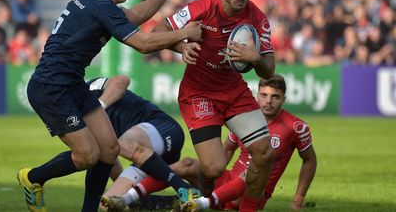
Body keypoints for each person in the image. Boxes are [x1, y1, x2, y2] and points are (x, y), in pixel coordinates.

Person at [17, 0, 202, 211]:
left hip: (72, 84)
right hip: (51, 88)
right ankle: (33, 178)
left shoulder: (96, 1)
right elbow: (143, 45)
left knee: (110, 148)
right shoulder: (100, 6)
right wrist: (184, 33)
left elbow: (134, 16)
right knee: (87, 156)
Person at [153, 0, 275, 210]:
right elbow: (158, 30)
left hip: (234, 91)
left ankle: (248, 208)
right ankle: (201, 193)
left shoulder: (258, 19)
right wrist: (181, 46)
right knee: (214, 167)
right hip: (199, 93)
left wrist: (255, 58)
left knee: (264, 153)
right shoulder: (202, 8)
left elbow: (269, 70)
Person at [119, 74, 317, 211]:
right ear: (257, 95)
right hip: (229, 183)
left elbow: (309, 160)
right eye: (264, 95)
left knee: (250, 172)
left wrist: (298, 201)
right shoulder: (246, 120)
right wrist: (209, 177)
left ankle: (200, 203)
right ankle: (130, 197)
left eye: (275, 97)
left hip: (253, 192)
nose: (268, 101)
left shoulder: (296, 127)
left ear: (284, 99)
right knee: (188, 163)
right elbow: (227, 149)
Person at [84, 75, 200, 210]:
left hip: (164, 129)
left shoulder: (90, 87)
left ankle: (183, 187)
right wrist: (125, 186)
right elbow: (107, 156)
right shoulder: (75, 116)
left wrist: (99, 108)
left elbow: (121, 81)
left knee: (122, 143)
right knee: (108, 204)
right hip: (147, 158)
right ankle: (180, 201)